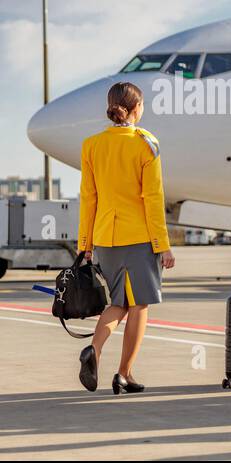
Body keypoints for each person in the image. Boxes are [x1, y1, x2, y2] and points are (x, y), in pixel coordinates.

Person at [75, 82, 176, 395]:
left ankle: (95, 348)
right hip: (139, 237)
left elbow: (88, 197)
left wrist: (85, 244)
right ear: (137, 109)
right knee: (139, 305)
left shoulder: (92, 144)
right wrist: (163, 245)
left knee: (118, 302)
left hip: (106, 236)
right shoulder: (146, 143)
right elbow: (152, 198)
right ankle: (124, 373)